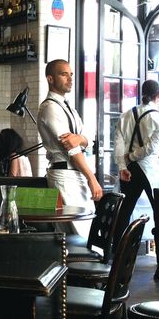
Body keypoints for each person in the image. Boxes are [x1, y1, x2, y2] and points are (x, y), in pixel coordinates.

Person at [37, 59, 103, 235]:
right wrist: (92, 178)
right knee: (80, 233)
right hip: (64, 175)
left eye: (71, 74)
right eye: (64, 74)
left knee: (85, 232)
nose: (70, 78)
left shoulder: (69, 108)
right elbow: (72, 148)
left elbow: (88, 141)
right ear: (50, 79)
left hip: (76, 173)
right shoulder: (50, 108)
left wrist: (80, 139)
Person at [113, 79, 159, 249]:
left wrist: (123, 165)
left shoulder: (126, 115)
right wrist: (133, 156)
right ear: (158, 95)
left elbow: (118, 144)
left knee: (125, 210)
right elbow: (152, 148)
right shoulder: (158, 118)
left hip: (130, 168)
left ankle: (117, 250)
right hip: (149, 169)